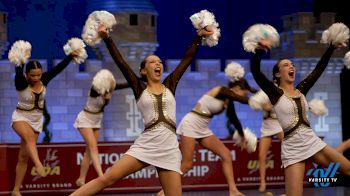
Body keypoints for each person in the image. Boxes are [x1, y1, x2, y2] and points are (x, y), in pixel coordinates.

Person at [69, 25, 213, 196]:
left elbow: (186, 60)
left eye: (159, 62)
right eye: (152, 62)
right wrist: (107, 38)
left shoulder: (170, 85)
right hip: (147, 144)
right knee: (107, 179)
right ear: (144, 71)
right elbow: (121, 62)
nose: (157, 64)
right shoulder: (140, 88)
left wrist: (199, 37)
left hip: (169, 149)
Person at [250, 36, 350, 195]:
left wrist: (331, 47)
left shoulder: (301, 89)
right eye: (286, 65)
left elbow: (318, 70)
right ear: (277, 74)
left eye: (292, 65)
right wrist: (260, 51)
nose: (291, 67)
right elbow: (255, 71)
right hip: (293, 148)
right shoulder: (275, 93)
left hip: (312, 141)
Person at [159, 75, 256, 196]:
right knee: (187, 164)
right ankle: (163, 192)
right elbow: (242, 100)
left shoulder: (228, 99)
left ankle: (233, 191)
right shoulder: (222, 90)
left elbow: (233, 118)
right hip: (191, 124)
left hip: (203, 127)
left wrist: (242, 136)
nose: (244, 96)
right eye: (244, 93)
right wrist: (259, 101)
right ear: (236, 88)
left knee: (226, 154)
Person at [11, 47, 79, 196]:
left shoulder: (44, 80)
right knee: (29, 138)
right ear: (27, 74)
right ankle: (39, 164)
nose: (36, 78)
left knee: (23, 156)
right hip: (21, 117)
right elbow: (18, 70)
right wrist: (21, 58)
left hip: (36, 120)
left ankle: (16, 190)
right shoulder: (21, 83)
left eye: (38, 75)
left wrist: (70, 57)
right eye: (32, 75)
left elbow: (58, 69)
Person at [74, 69, 129, 187]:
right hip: (85, 120)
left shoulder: (108, 89)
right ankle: (101, 176)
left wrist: (142, 80)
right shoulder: (95, 90)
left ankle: (81, 179)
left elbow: (125, 84)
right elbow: (98, 87)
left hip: (97, 120)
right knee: (93, 148)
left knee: (89, 152)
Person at [249, 90, 283, 192]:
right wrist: (261, 106)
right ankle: (263, 182)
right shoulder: (264, 92)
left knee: (289, 150)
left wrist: (272, 107)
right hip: (266, 126)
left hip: (278, 124)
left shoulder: (282, 93)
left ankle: (291, 180)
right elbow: (256, 101)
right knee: (261, 156)